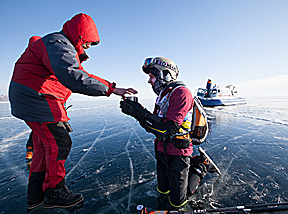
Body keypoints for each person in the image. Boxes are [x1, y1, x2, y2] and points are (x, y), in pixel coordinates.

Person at [9, 13, 137, 210]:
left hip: (32, 97)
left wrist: (112, 88)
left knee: (43, 148)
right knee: (59, 142)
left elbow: (82, 73)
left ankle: (36, 196)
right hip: (37, 97)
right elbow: (74, 76)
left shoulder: (56, 44)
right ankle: (55, 191)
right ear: (79, 36)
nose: (87, 48)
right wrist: (108, 90)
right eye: (87, 43)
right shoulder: (58, 43)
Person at [120, 57, 219, 209]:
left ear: (165, 74)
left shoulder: (182, 93)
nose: (149, 81)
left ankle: (201, 165)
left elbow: (168, 129)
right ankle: (192, 166)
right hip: (161, 150)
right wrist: (136, 110)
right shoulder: (162, 96)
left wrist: (138, 112)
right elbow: (154, 124)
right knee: (162, 190)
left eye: (152, 76)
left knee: (178, 201)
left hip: (178, 152)